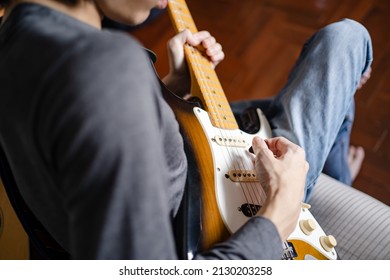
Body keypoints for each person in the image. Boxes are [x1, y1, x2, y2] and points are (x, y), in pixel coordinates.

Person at [0, 0, 374, 259]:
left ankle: (335, 170)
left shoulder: (16, 36)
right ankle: (334, 175)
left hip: (195, 152)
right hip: (222, 216)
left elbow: (91, 138)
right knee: (348, 40)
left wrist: (167, 88)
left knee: (339, 63)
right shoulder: (108, 69)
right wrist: (279, 212)